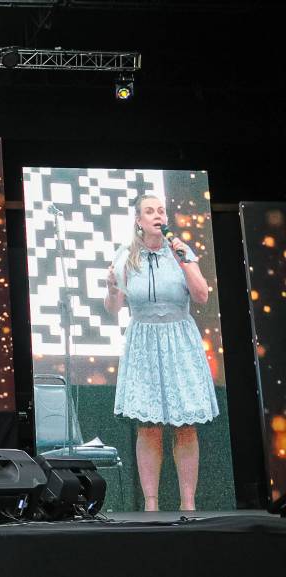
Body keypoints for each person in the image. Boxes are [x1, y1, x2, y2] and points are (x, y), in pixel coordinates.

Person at [105, 193, 217, 512]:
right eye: (150, 211)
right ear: (139, 220)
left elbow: (201, 296)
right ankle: (151, 505)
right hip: (143, 344)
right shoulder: (125, 255)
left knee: (185, 425)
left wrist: (185, 260)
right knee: (148, 425)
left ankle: (188, 504)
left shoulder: (181, 251)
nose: (158, 215)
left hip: (179, 342)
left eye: (161, 211)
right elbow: (112, 308)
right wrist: (111, 288)